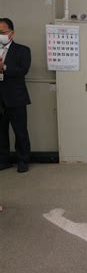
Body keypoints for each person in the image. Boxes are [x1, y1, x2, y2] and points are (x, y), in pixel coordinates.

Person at [0, 18, 32, 173]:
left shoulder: (22, 50)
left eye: (2, 32)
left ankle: (23, 160)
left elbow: (23, 70)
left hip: (16, 97)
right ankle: (3, 160)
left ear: (11, 33)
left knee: (20, 131)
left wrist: (4, 67)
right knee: (1, 131)